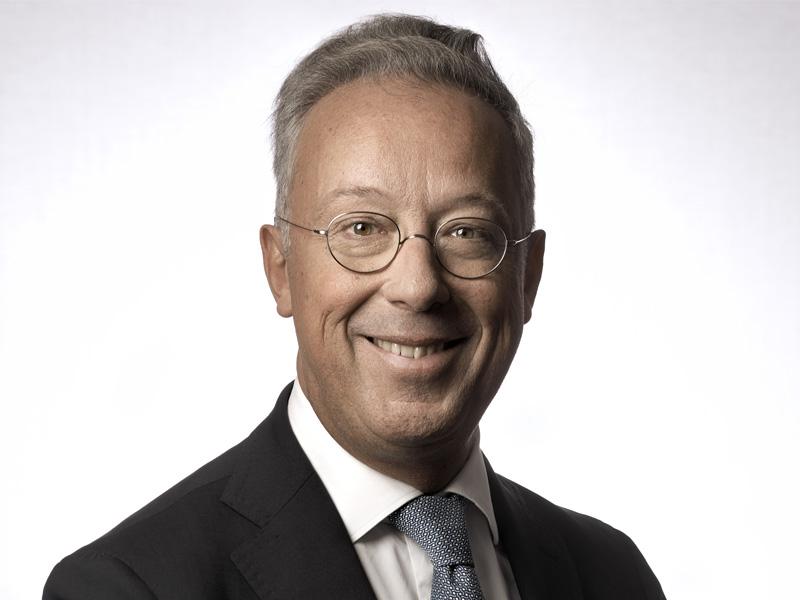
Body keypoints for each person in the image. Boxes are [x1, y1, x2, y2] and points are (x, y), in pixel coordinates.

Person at [43, 14, 666, 600]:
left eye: (467, 231)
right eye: (361, 228)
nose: (418, 286)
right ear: (281, 268)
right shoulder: (130, 587)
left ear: (528, 276)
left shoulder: (612, 575)